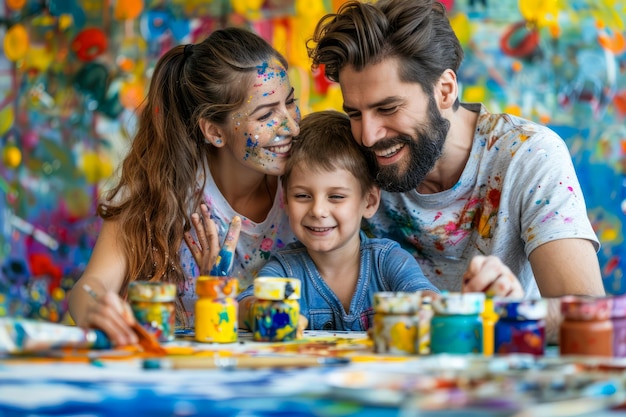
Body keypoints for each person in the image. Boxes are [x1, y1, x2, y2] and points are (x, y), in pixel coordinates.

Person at [307, 0, 605, 338]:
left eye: (388, 108)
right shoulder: (350, 158)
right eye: (355, 113)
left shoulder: (528, 154)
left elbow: (588, 313)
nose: (367, 135)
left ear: (445, 90)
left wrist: (513, 311)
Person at [69, 27, 301, 346]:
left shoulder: (307, 184)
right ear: (214, 132)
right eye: (267, 115)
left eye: (290, 103)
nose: (291, 125)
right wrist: (96, 309)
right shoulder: (161, 188)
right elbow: (90, 286)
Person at [237, 110, 439, 331]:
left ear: (369, 202)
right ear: (285, 199)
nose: (318, 210)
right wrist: (264, 312)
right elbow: (242, 308)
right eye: (303, 196)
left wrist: (421, 310)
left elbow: (426, 299)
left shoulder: (389, 262)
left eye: (336, 197)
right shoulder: (285, 270)